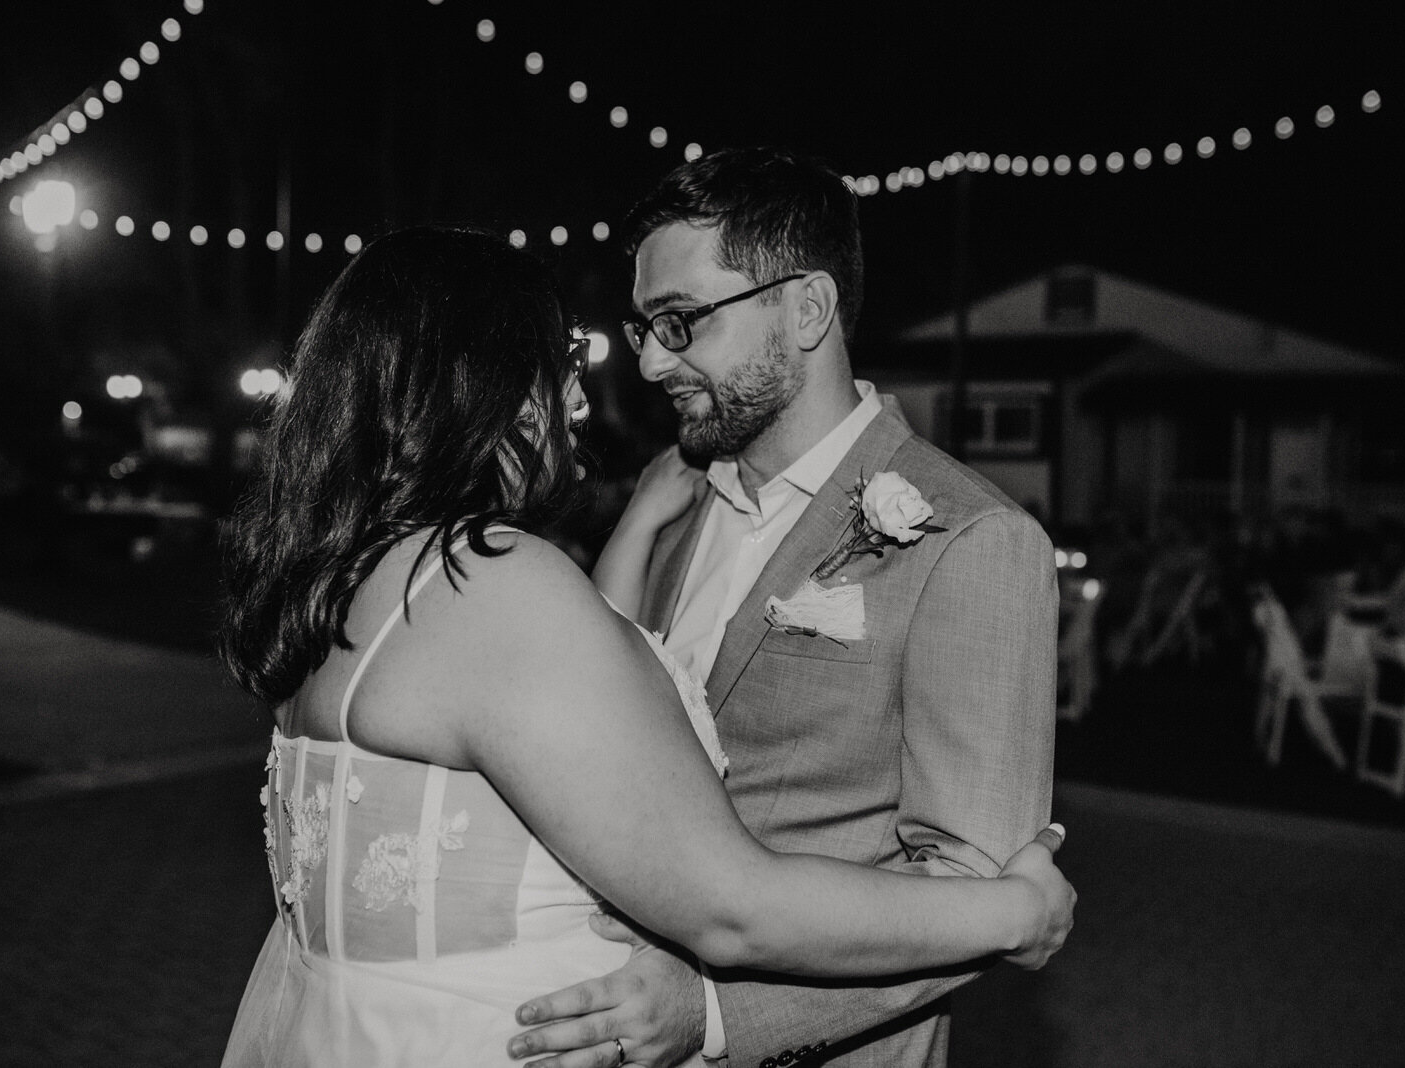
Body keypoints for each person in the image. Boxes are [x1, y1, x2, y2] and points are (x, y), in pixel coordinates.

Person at [216, 226, 1073, 1067]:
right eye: (562, 365)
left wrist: (631, 531)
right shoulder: (495, 582)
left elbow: (552, 716)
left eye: (680, 321)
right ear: (486, 381)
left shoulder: (345, 583)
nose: (587, 397)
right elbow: (730, 904)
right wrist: (1017, 914)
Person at [508, 148, 1061, 1068]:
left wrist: (717, 1014)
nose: (650, 363)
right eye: (642, 327)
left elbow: (974, 892)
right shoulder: (676, 509)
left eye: (681, 322)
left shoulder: (971, 540)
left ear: (807, 309)